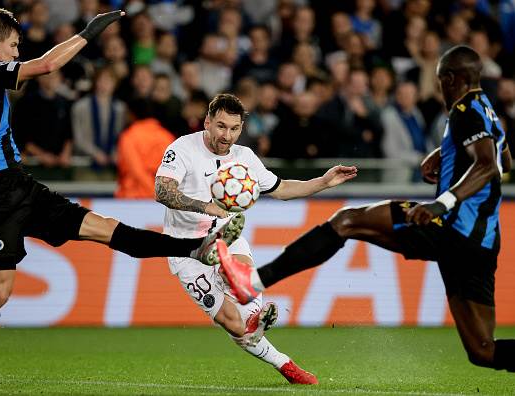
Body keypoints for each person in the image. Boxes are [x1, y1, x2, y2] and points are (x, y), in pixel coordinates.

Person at [0, 9, 243, 392]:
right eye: (12, 45)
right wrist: (90, 32)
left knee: (103, 229)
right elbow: (48, 65)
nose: (15, 52)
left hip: (19, 185)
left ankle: (194, 249)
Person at [217, 46, 515, 373]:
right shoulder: (487, 109)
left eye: (439, 81)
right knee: (482, 350)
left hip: (452, 227)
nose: (438, 89)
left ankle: (254, 282)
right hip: (482, 244)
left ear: (450, 79)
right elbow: (505, 162)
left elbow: (487, 166)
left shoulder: (465, 109)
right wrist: (444, 152)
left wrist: (440, 204)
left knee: (347, 221)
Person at [154, 93, 357, 384]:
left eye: (234, 129)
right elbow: (162, 190)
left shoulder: (244, 157)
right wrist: (205, 206)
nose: (227, 135)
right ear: (207, 122)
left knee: (243, 278)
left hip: (226, 234)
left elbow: (282, 187)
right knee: (233, 324)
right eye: (221, 126)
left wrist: (323, 182)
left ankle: (254, 315)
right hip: (185, 247)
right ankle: (283, 362)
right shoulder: (183, 148)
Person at [115, 98, 174, 198]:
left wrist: (153, 193)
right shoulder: (167, 136)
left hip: (133, 197)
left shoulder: (129, 137)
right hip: (163, 197)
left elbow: (136, 170)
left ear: (132, 114)